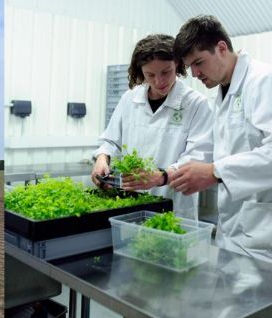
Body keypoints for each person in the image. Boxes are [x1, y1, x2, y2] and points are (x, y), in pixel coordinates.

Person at [169, 15, 272, 275]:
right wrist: (164, 175)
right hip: (238, 233)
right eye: (190, 67)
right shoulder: (223, 94)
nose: (195, 74)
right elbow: (219, 149)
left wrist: (215, 172)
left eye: (199, 63)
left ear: (222, 48)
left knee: (266, 315)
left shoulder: (264, 82)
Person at [91, 34, 214, 218]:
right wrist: (102, 158)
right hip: (130, 202)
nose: (159, 81)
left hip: (174, 205)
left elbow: (198, 157)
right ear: (141, 72)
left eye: (166, 72)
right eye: (150, 75)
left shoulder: (196, 104)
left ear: (178, 65)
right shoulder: (129, 99)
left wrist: (162, 176)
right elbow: (111, 140)